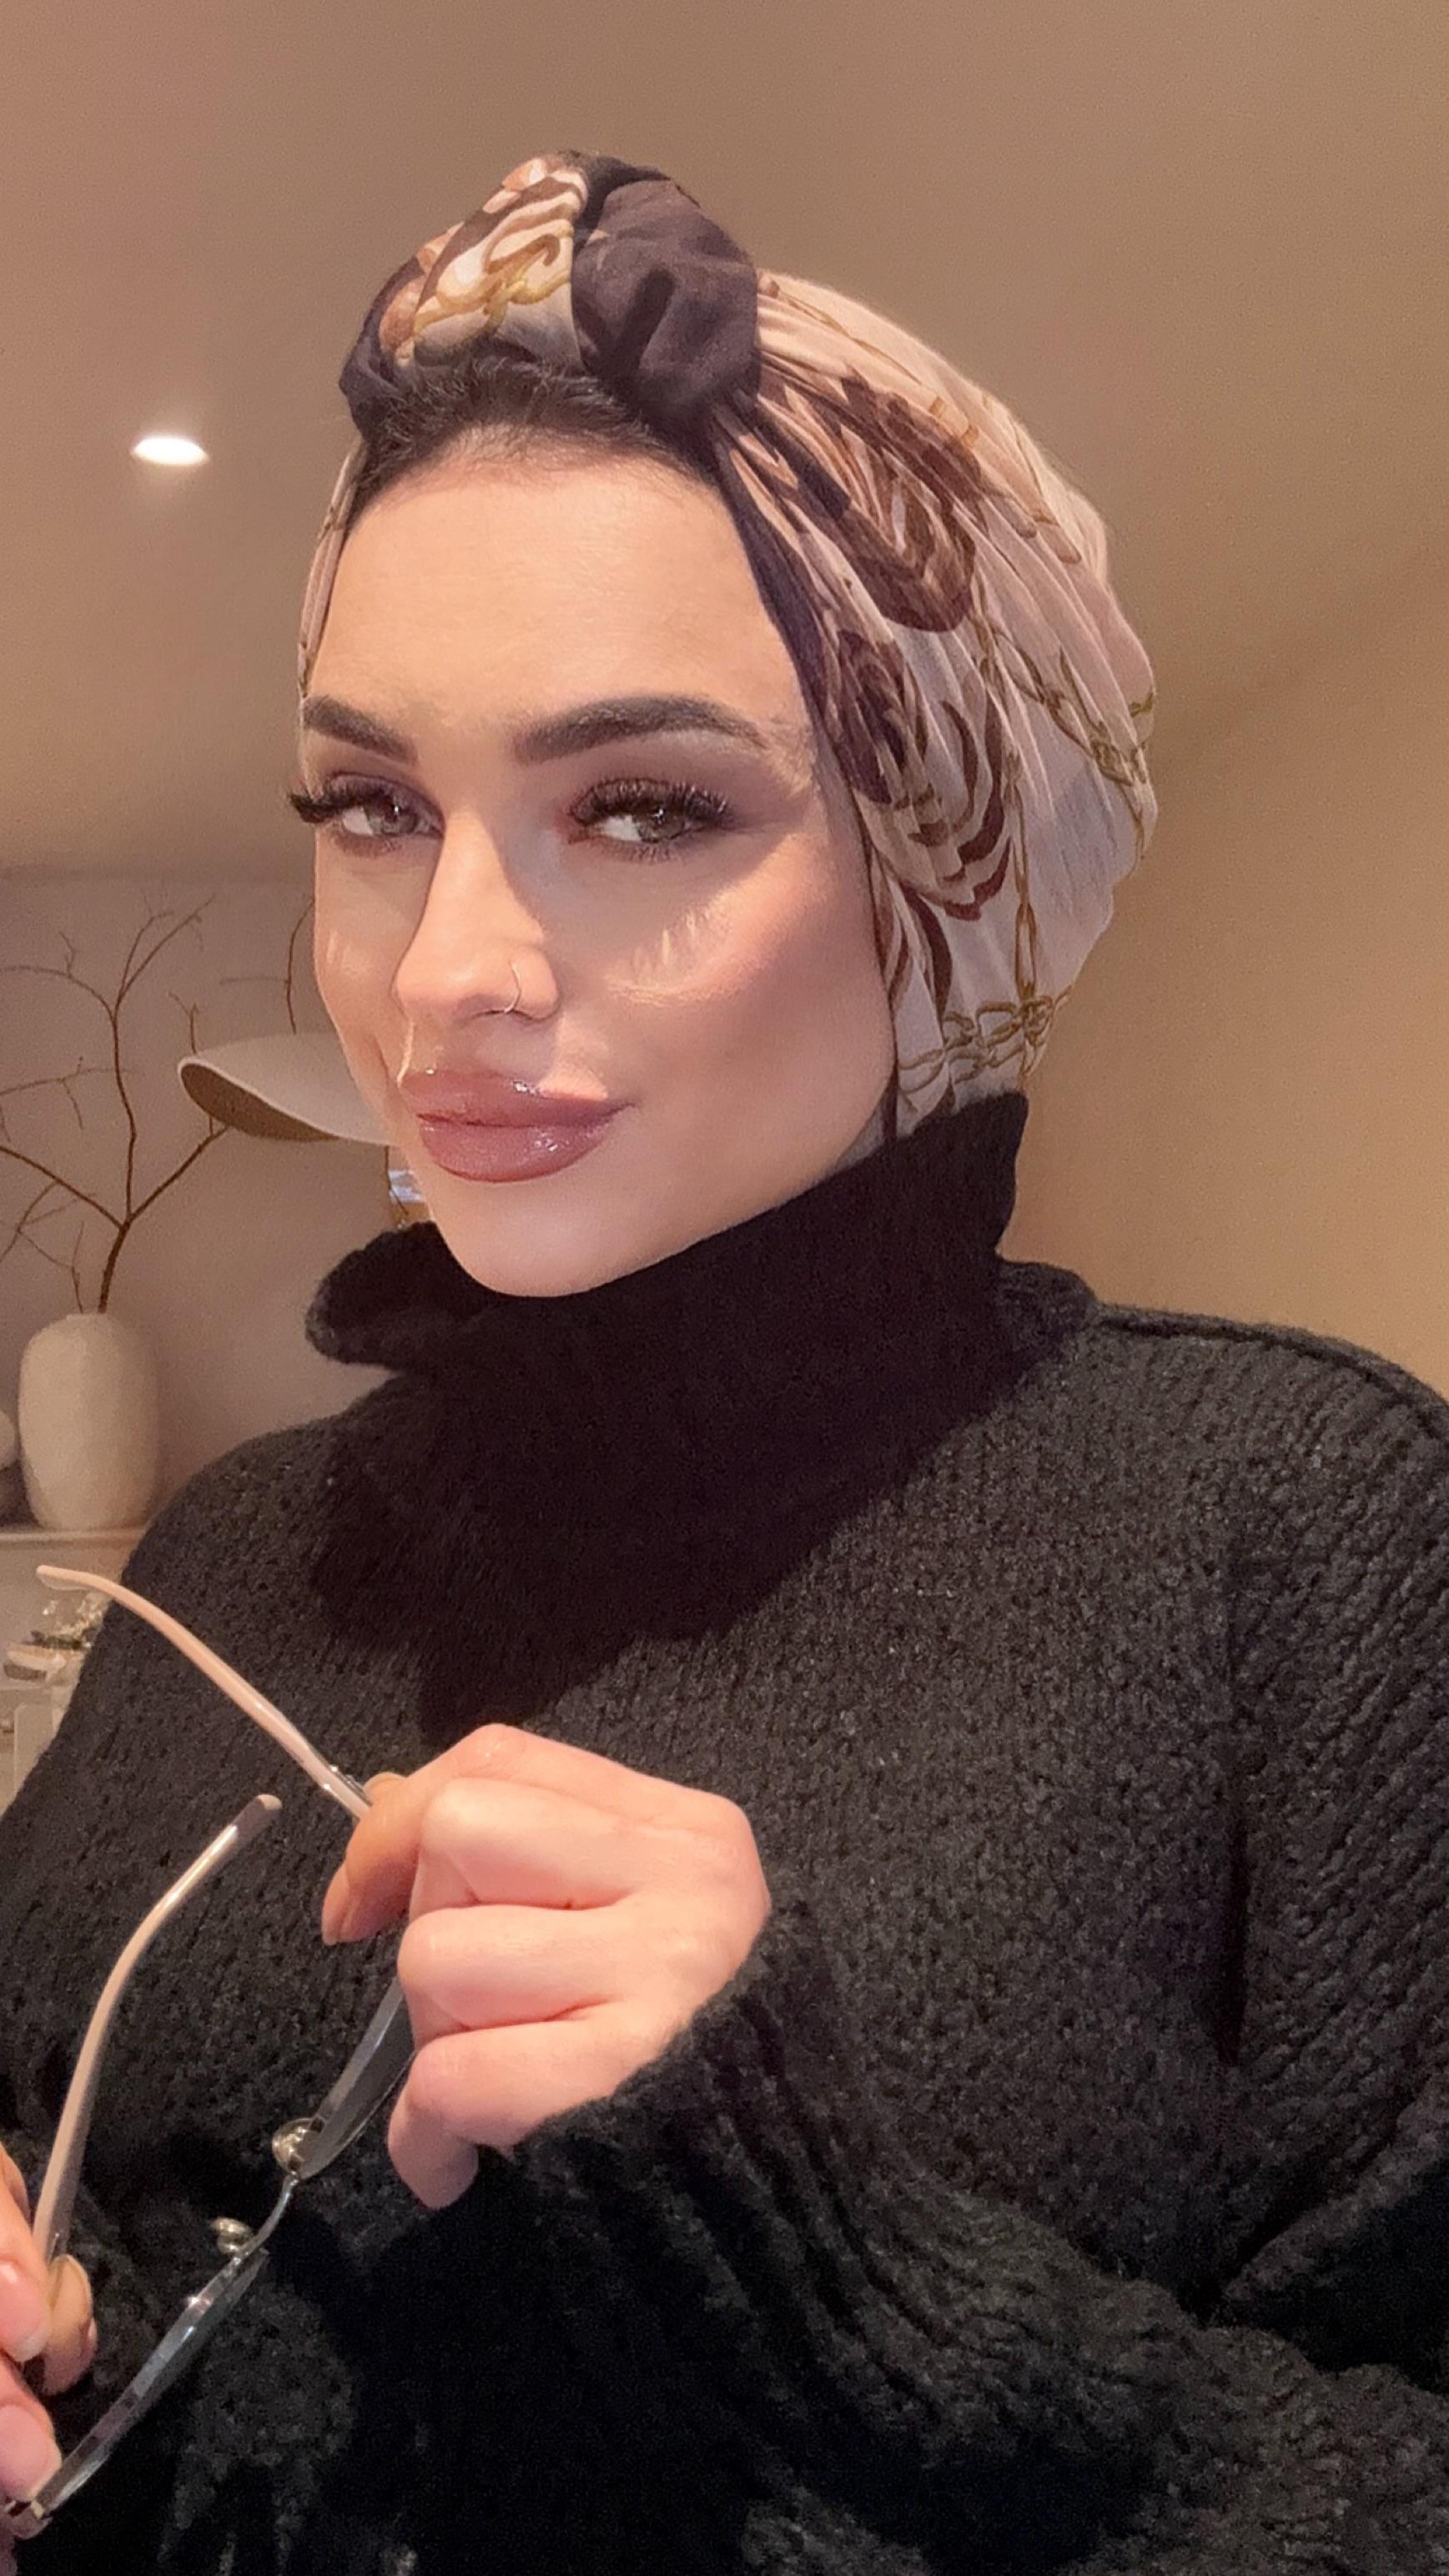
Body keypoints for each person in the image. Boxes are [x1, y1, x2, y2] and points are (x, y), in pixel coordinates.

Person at [2, 146, 1446, 2573]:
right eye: (372, 804)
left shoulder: (1296, 1539)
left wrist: (829, 2255)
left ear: (955, 859)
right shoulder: (240, 1545)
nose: (444, 971)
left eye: (647, 807)